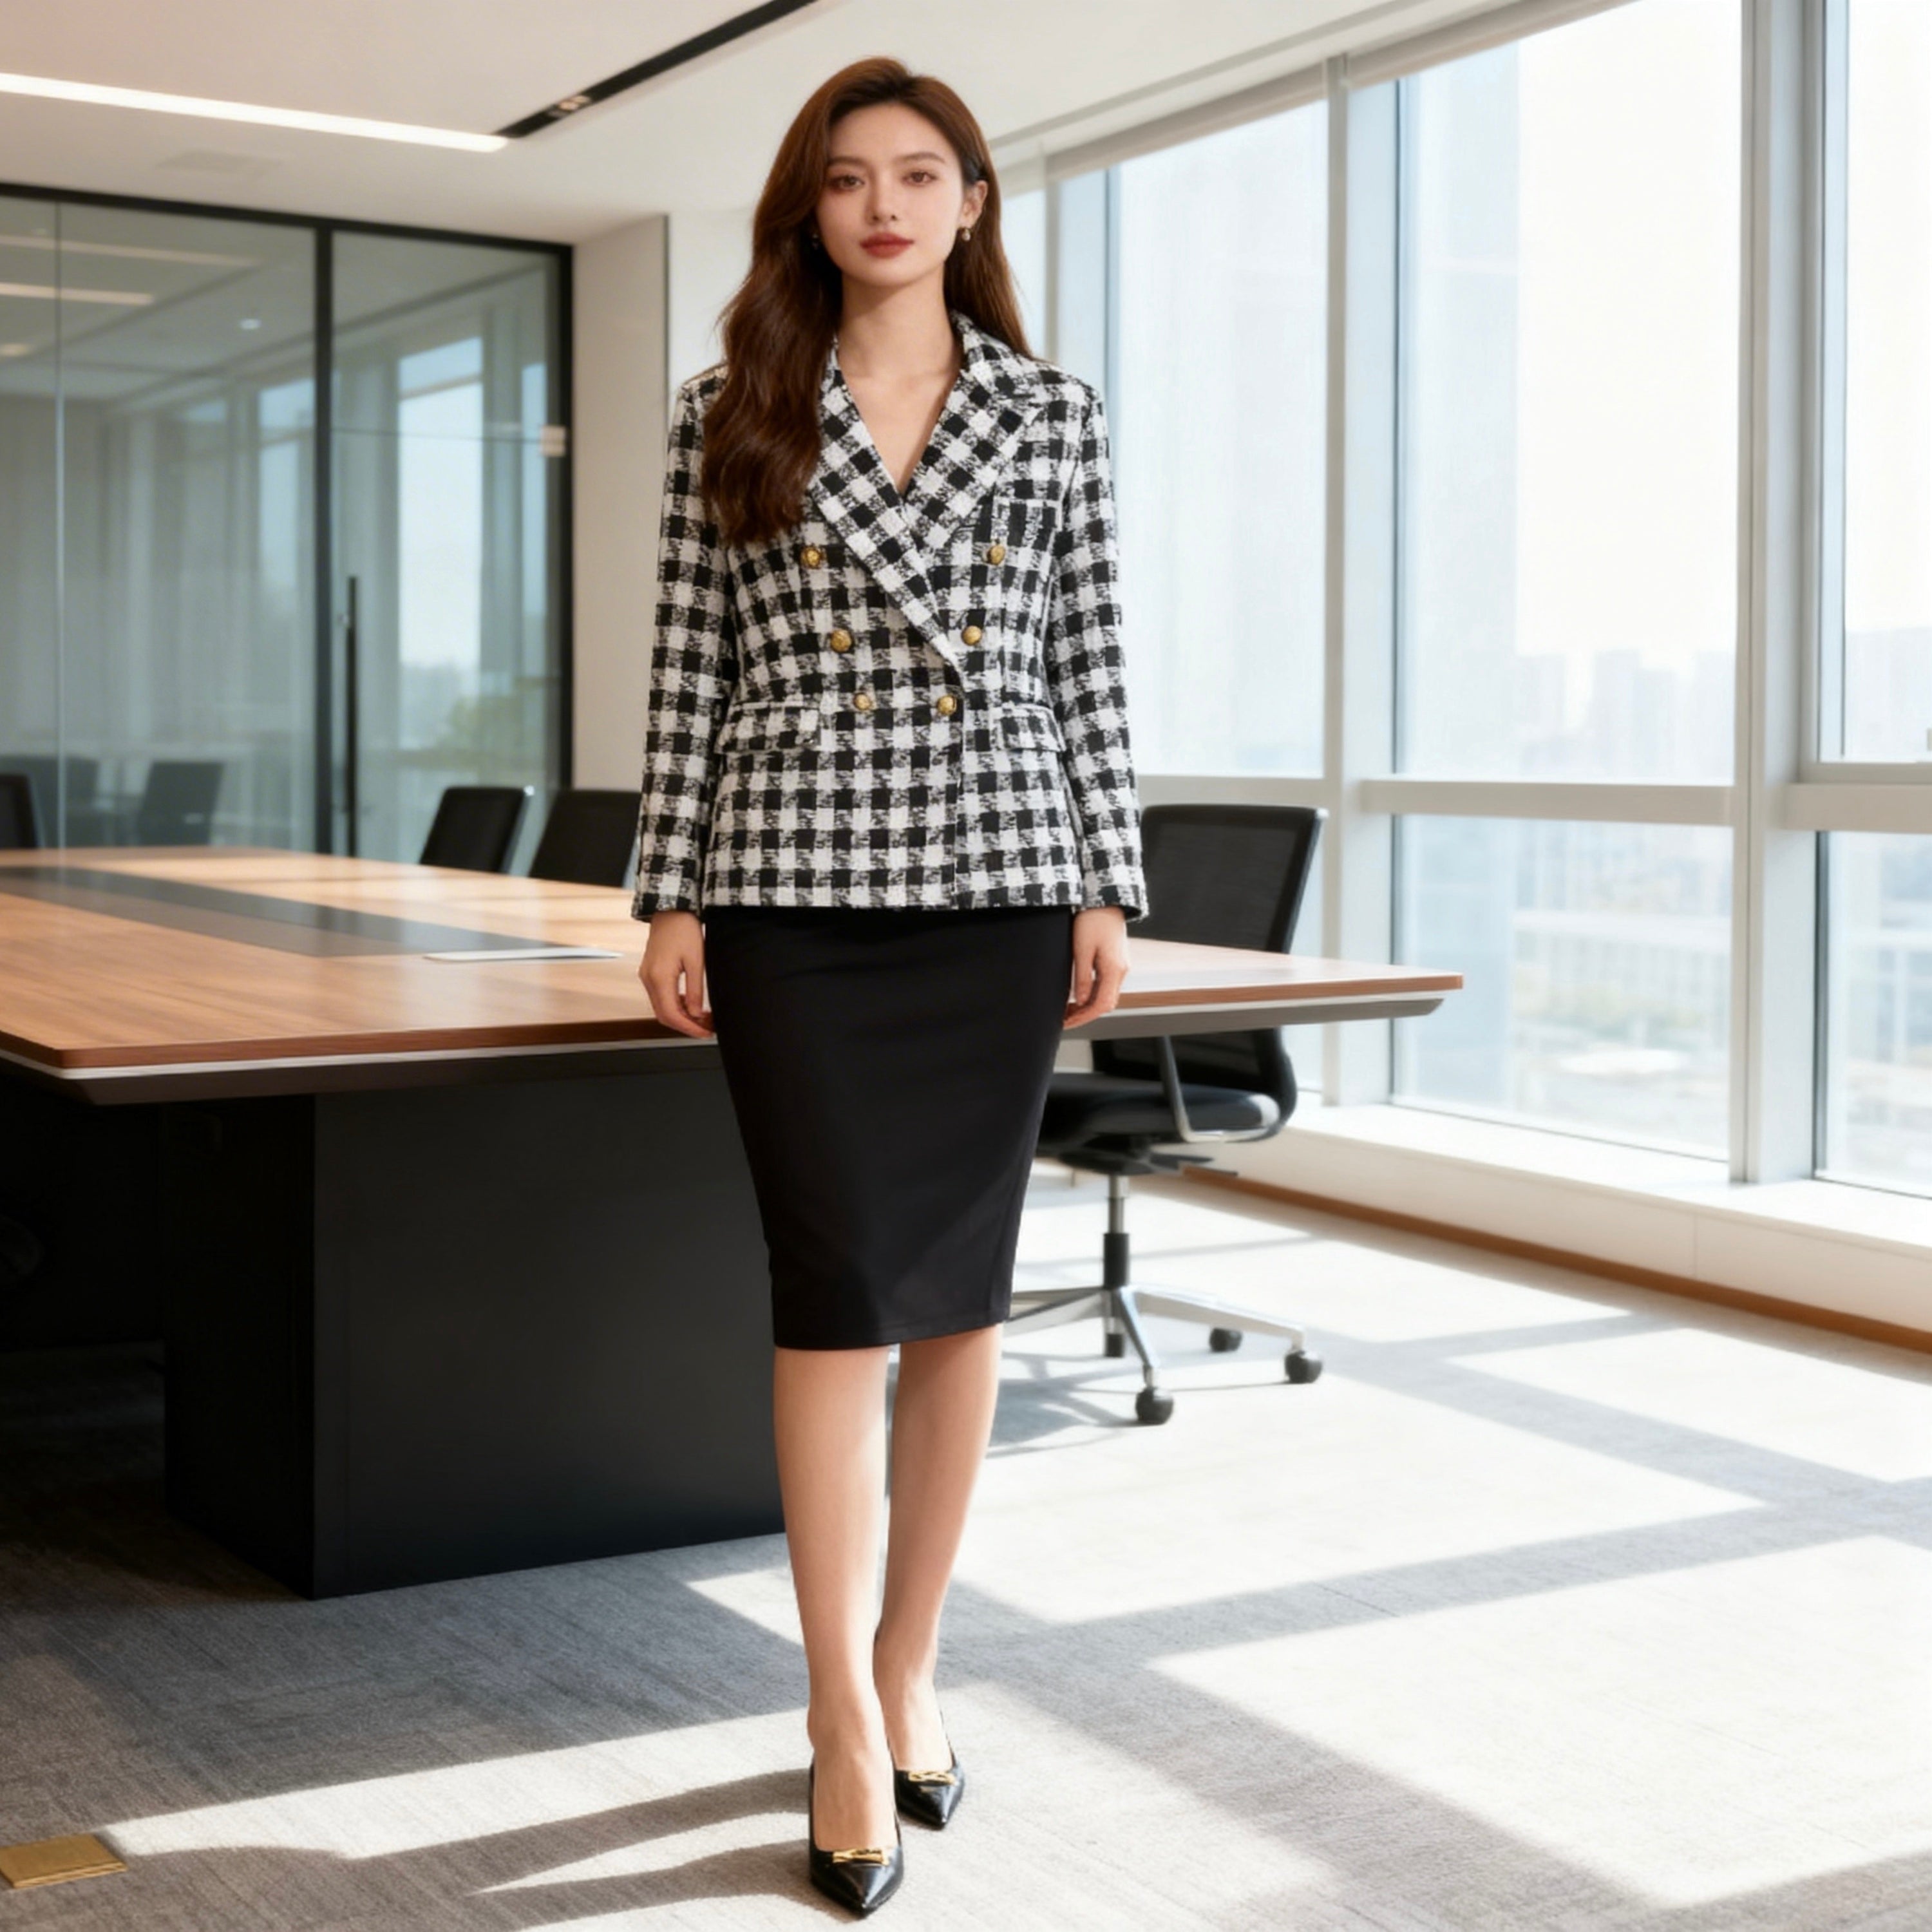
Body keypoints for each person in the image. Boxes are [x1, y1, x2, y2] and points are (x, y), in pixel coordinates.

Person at [630, 54, 1148, 1917]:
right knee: (837, 1295)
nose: (884, 206)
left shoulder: (1053, 413)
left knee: (958, 1303)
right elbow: (685, 673)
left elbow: (1090, 664)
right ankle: (837, 1708)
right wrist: (668, 892)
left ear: (973, 204)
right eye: (849, 178)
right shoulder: (732, 408)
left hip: (998, 885)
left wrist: (1109, 878)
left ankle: (911, 1662)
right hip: (791, 886)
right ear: (812, 207)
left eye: (920, 175)